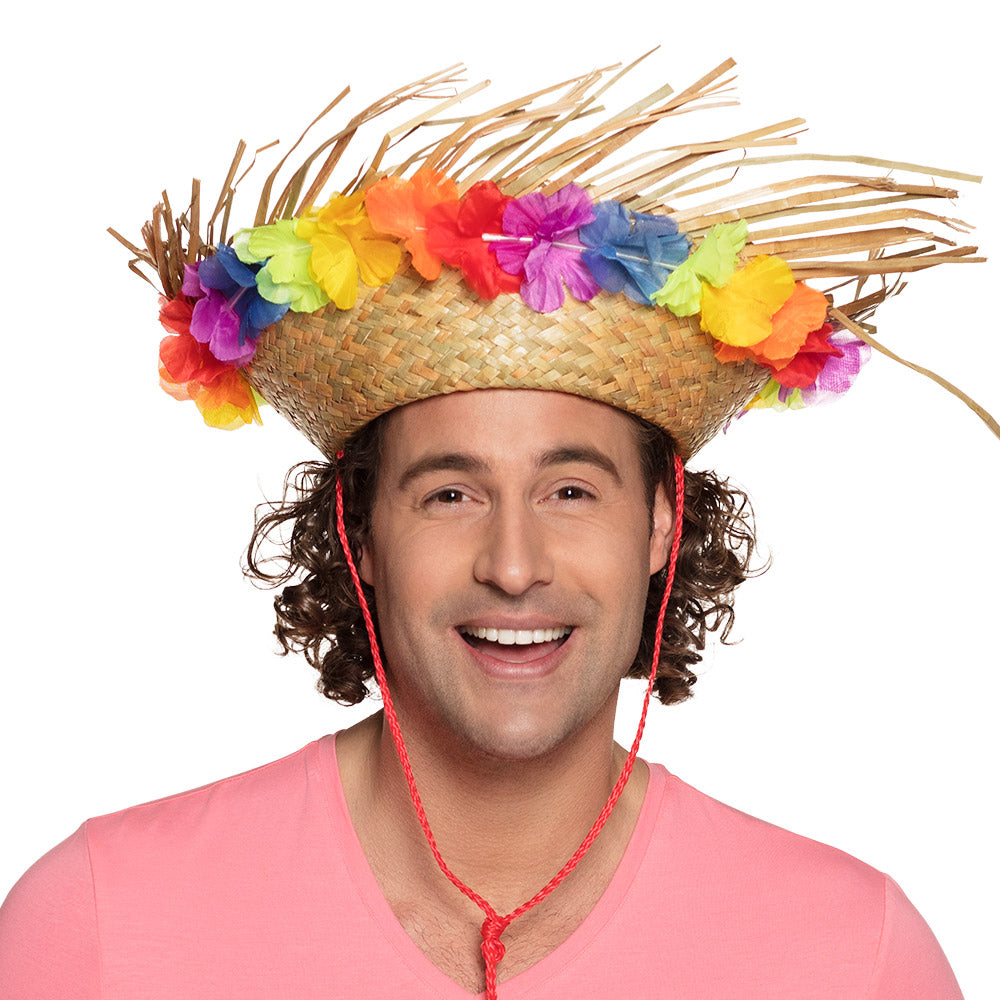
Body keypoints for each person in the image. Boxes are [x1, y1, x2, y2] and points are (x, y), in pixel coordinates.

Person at [1, 59, 992, 998]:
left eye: (571, 492)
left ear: (660, 523)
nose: (514, 567)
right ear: (360, 532)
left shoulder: (854, 953)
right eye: (450, 495)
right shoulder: (100, 920)